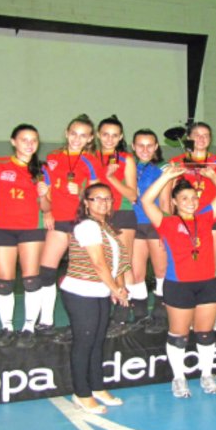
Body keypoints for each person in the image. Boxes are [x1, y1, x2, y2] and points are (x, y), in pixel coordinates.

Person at [141, 164, 216, 398]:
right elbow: (146, 202)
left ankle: (207, 374)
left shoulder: (205, 216)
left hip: (208, 284)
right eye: (184, 198)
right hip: (179, 286)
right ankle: (179, 378)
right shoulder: (166, 223)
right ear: (174, 202)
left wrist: (212, 176)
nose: (190, 201)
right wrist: (166, 178)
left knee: (205, 333)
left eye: (193, 197)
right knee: (179, 335)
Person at [61, 183, 129, 413]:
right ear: (86, 203)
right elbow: (99, 264)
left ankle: (97, 387)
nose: (104, 202)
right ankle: (81, 393)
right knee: (84, 342)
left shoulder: (107, 227)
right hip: (81, 292)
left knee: (97, 341)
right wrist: (116, 290)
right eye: (97, 198)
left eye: (108, 198)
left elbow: (117, 262)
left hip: (99, 291)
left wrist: (119, 286)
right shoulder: (88, 226)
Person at [0, 124, 51, 348]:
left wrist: (44, 195)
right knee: (4, 282)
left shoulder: (41, 171)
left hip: (31, 229)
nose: (29, 144)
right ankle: (6, 327)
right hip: (3, 228)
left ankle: (28, 327)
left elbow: (45, 207)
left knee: (31, 279)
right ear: (13, 141)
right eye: (24, 139)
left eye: (34, 140)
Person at [166, 122, 216, 327]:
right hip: (185, 223)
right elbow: (168, 196)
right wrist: (169, 222)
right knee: (190, 265)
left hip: (211, 219)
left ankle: (213, 311)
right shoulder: (177, 162)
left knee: (211, 265)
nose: (202, 139)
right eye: (197, 135)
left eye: (206, 135)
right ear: (188, 138)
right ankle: (191, 310)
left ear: (210, 139)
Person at [39, 115, 100, 338]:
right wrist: (47, 211)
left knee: (82, 274)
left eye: (83, 135)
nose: (77, 139)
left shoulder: (91, 161)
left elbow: (97, 196)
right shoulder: (52, 158)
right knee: (46, 271)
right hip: (58, 220)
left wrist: (82, 192)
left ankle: (84, 323)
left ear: (90, 138)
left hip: (81, 222)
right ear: (66, 132)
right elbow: (45, 192)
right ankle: (46, 320)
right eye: (73, 133)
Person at [95, 116, 139, 336]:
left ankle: (122, 316)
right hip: (96, 217)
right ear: (97, 135)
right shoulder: (89, 157)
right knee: (102, 265)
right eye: (105, 134)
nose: (110, 139)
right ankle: (105, 313)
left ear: (121, 137)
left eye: (114, 135)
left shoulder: (126, 159)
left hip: (121, 214)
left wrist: (112, 179)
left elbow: (132, 194)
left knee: (122, 265)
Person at [130, 129, 169, 334]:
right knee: (136, 273)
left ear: (155, 147)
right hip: (134, 226)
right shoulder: (127, 168)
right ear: (133, 147)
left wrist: (166, 229)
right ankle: (140, 314)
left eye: (149, 145)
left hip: (155, 224)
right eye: (140, 145)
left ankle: (161, 314)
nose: (145, 149)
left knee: (161, 272)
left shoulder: (162, 171)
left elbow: (165, 202)